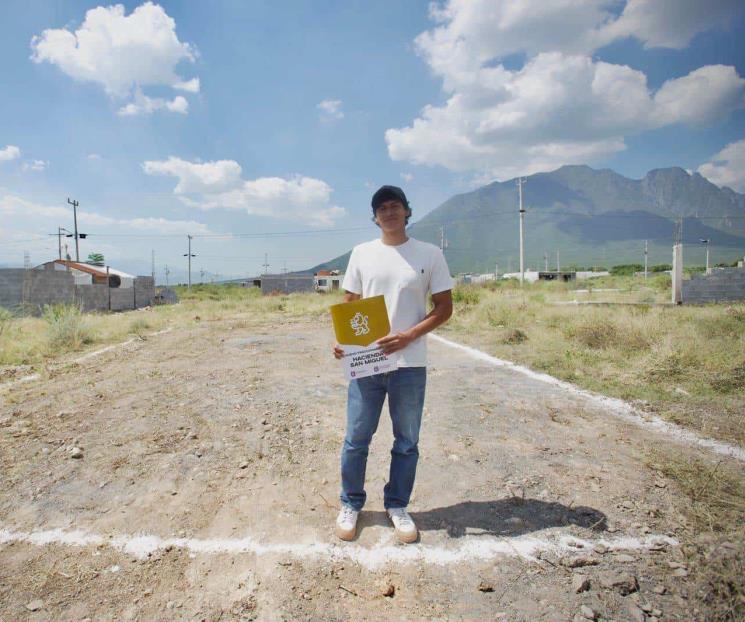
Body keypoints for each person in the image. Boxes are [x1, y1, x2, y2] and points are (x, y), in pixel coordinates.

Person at [332, 185, 453, 543]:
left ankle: (397, 505)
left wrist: (408, 336)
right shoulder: (362, 253)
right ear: (375, 217)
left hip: (409, 363)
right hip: (366, 363)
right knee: (356, 438)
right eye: (381, 208)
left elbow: (444, 307)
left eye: (394, 206)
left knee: (406, 441)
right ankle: (351, 503)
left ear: (406, 211)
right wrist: (341, 341)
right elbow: (350, 302)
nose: (388, 212)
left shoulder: (429, 254)